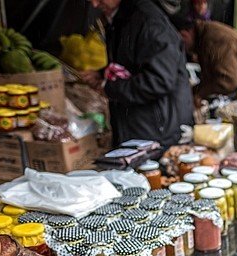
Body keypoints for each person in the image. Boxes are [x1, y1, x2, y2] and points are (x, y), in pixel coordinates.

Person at [81, 0, 193, 148]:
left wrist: (108, 88)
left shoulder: (148, 21)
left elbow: (159, 80)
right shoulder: (123, 19)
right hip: (140, 128)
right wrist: (102, 73)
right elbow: (129, 63)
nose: (94, 4)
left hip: (156, 133)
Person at [170, 16, 237, 100]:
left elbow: (228, 81)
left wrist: (197, 92)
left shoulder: (212, 39)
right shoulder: (204, 35)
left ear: (184, 34)